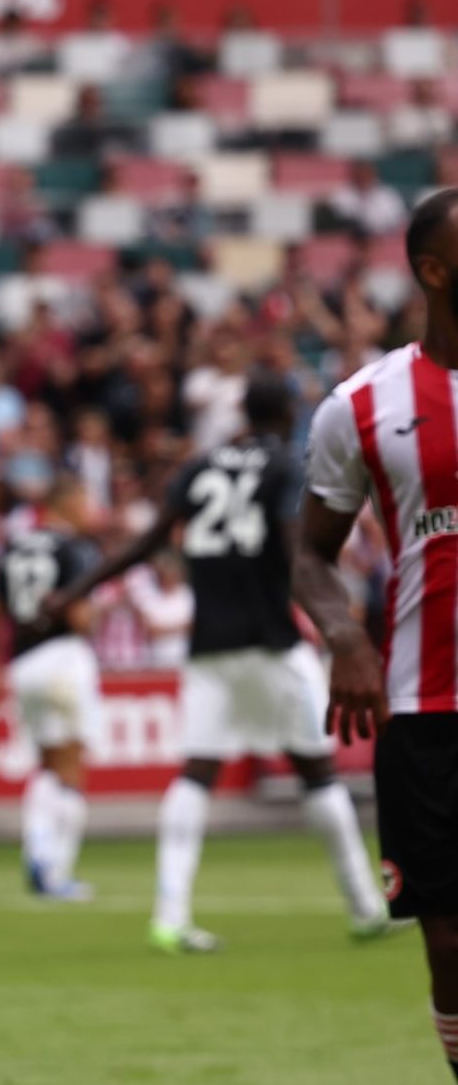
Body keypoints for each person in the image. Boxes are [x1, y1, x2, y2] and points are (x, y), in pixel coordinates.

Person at [50, 372, 393, 954]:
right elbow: (294, 547)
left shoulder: (200, 465)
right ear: (287, 414)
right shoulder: (287, 463)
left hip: (209, 644)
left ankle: (170, 913)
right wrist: (336, 622)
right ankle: (364, 907)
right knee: (317, 772)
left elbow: (147, 542)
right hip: (272, 641)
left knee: (195, 774)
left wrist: (76, 589)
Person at [294, 186, 458, 1085]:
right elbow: (311, 555)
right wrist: (343, 634)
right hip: (422, 704)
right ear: (433, 270)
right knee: (448, 933)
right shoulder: (360, 407)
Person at [0, 470, 101, 903]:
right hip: (64, 658)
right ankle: (51, 865)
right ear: (65, 503)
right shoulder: (75, 549)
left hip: (23, 663)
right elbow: (80, 617)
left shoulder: (14, 545)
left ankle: (42, 856)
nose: (90, 511)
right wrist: (100, 614)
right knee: (71, 767)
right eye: (85, 501)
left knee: (47, 763)